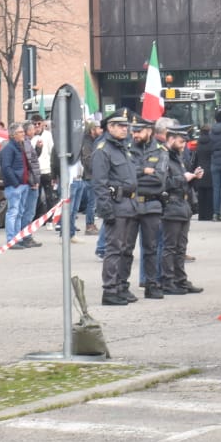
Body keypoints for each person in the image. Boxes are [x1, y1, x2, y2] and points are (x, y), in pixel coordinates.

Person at [93, 112, 140, 305]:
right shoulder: (103, 150)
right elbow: (99, 183)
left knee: (126, 250)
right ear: (109, 127)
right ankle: (110, 290)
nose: (125, 128)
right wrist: (106, 211)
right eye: (120, 125)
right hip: (116, 205)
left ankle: (121, 285)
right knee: (114, 250)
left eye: (125, 126)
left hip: (130, 204)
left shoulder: (123, 148)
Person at [159, 120, 205, 295]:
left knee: (180, 248)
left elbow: (181, 181)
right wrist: (183, 179)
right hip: (171, 206)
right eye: (181, 141)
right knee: (170, 247)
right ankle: (168, 281)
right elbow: (161, 183)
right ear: (170, 139)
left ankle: (180, 280)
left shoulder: (177, 157)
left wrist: (193, 177)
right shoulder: (163, 156)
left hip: (182, 206)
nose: (184, 144)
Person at [130, 119, 168, 298]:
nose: (135, 135)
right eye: (133, 131)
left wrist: (138, 174)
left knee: (151, 247)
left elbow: (159, 179)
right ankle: (122, 286)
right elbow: (126, 177)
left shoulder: (160, 151)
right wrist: (144, 171)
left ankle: (151, 284)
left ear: (149, 131)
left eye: (139, 131)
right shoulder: (126, 149)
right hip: (130, 204)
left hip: (152, 204)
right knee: (125, 248)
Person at [0, 122, 39, 249]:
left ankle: (17, 238)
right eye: (21, 132)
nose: (24, 134)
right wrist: (15, 183)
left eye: (23, 132)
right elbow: (6, 168)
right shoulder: (8, 149)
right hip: (15, 186)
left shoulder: (20, 147)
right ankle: (11, 239)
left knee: (20, 212)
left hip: (23, 185)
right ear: (13, 135)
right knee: (13, 212)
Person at [200, 109, 221, 222]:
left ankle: (215, 213)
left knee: (216, 188)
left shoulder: (211, 131)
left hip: (214, 161)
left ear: (215, 119)